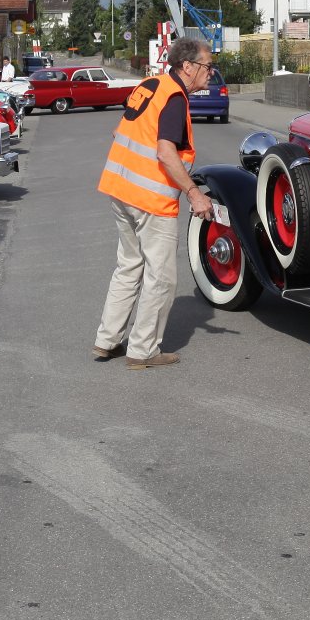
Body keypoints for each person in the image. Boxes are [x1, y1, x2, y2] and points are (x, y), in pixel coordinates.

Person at [92, 36, 215, 370]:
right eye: (207, 66)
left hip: (120, 190)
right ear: (187, 66)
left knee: (129, 266)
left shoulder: (150, 85)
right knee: (161, 277)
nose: (211, 73)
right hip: (150, 200)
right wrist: (194, 194)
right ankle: (143, 350)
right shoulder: (174, 98)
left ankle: (107, 340)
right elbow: (165, 152)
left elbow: (119, 132)